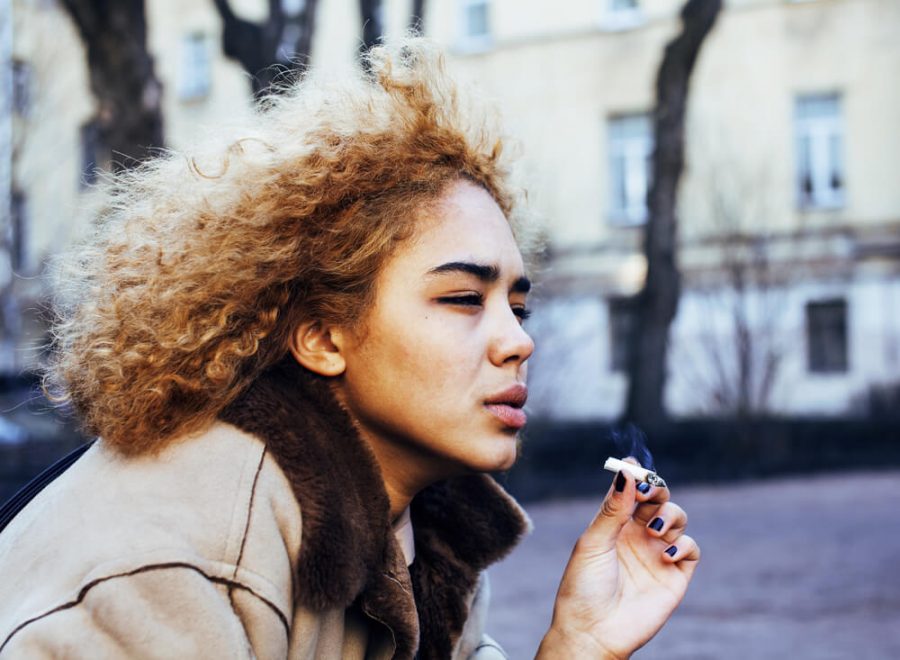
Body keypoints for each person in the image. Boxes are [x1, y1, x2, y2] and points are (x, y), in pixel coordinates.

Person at [0, 38, 699, 659]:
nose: (519, 341)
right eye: (463, 299)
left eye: (519, 306)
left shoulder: (424, 532)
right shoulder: (172, 568)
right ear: (321, 337)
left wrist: (576, 646)